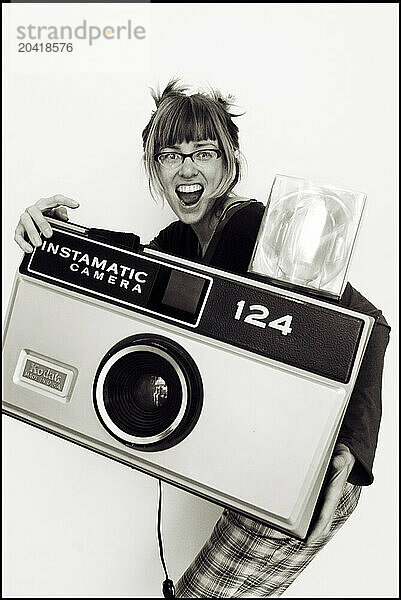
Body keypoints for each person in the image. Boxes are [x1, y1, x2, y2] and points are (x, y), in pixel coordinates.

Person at [14, 79, 390, 598]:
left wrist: (352, 449)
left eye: (204, 152)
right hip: (259, 469)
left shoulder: (260, 228)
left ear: (229, 160)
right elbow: (123, 271)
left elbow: (369, 324)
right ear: (155, 167)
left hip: (313, 474)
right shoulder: (180, 242)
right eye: (170, 154)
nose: (186, 168)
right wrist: (49, 234)